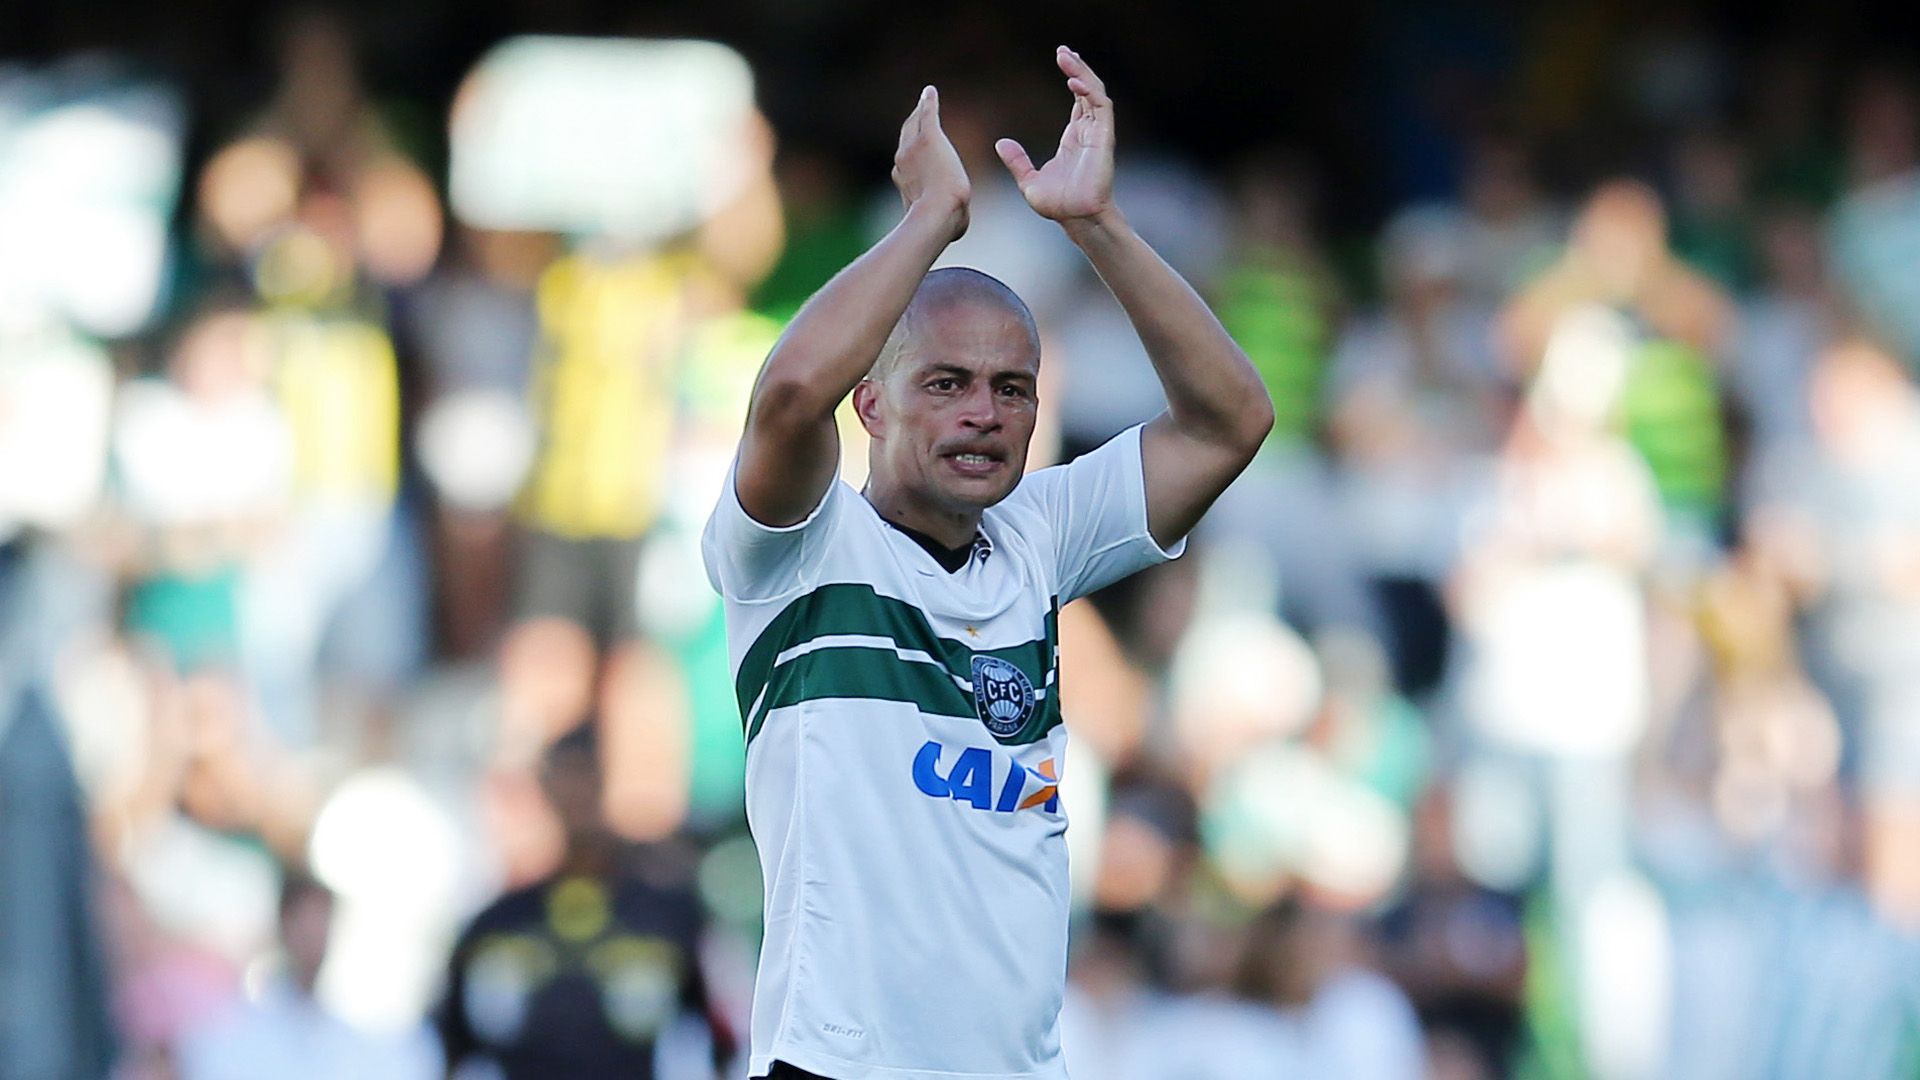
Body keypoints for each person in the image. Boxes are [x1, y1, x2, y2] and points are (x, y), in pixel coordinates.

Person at [701, 47, 1272, 1080]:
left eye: (1013, 389)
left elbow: (1232, 420)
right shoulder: (798, 550)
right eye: (949, 383)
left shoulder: (1037, 537)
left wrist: (1095, 226)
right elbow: (786, 399)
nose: (985, 413)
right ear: (870, 404)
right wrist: (928, 223)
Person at [435, 724, 731, 1079]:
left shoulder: (670, 915)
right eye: (564, 775)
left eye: (587, 773)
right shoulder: (498, 922)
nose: (576, 792)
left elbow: (725, 1037)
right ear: (544, 787)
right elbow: (451, 1046)